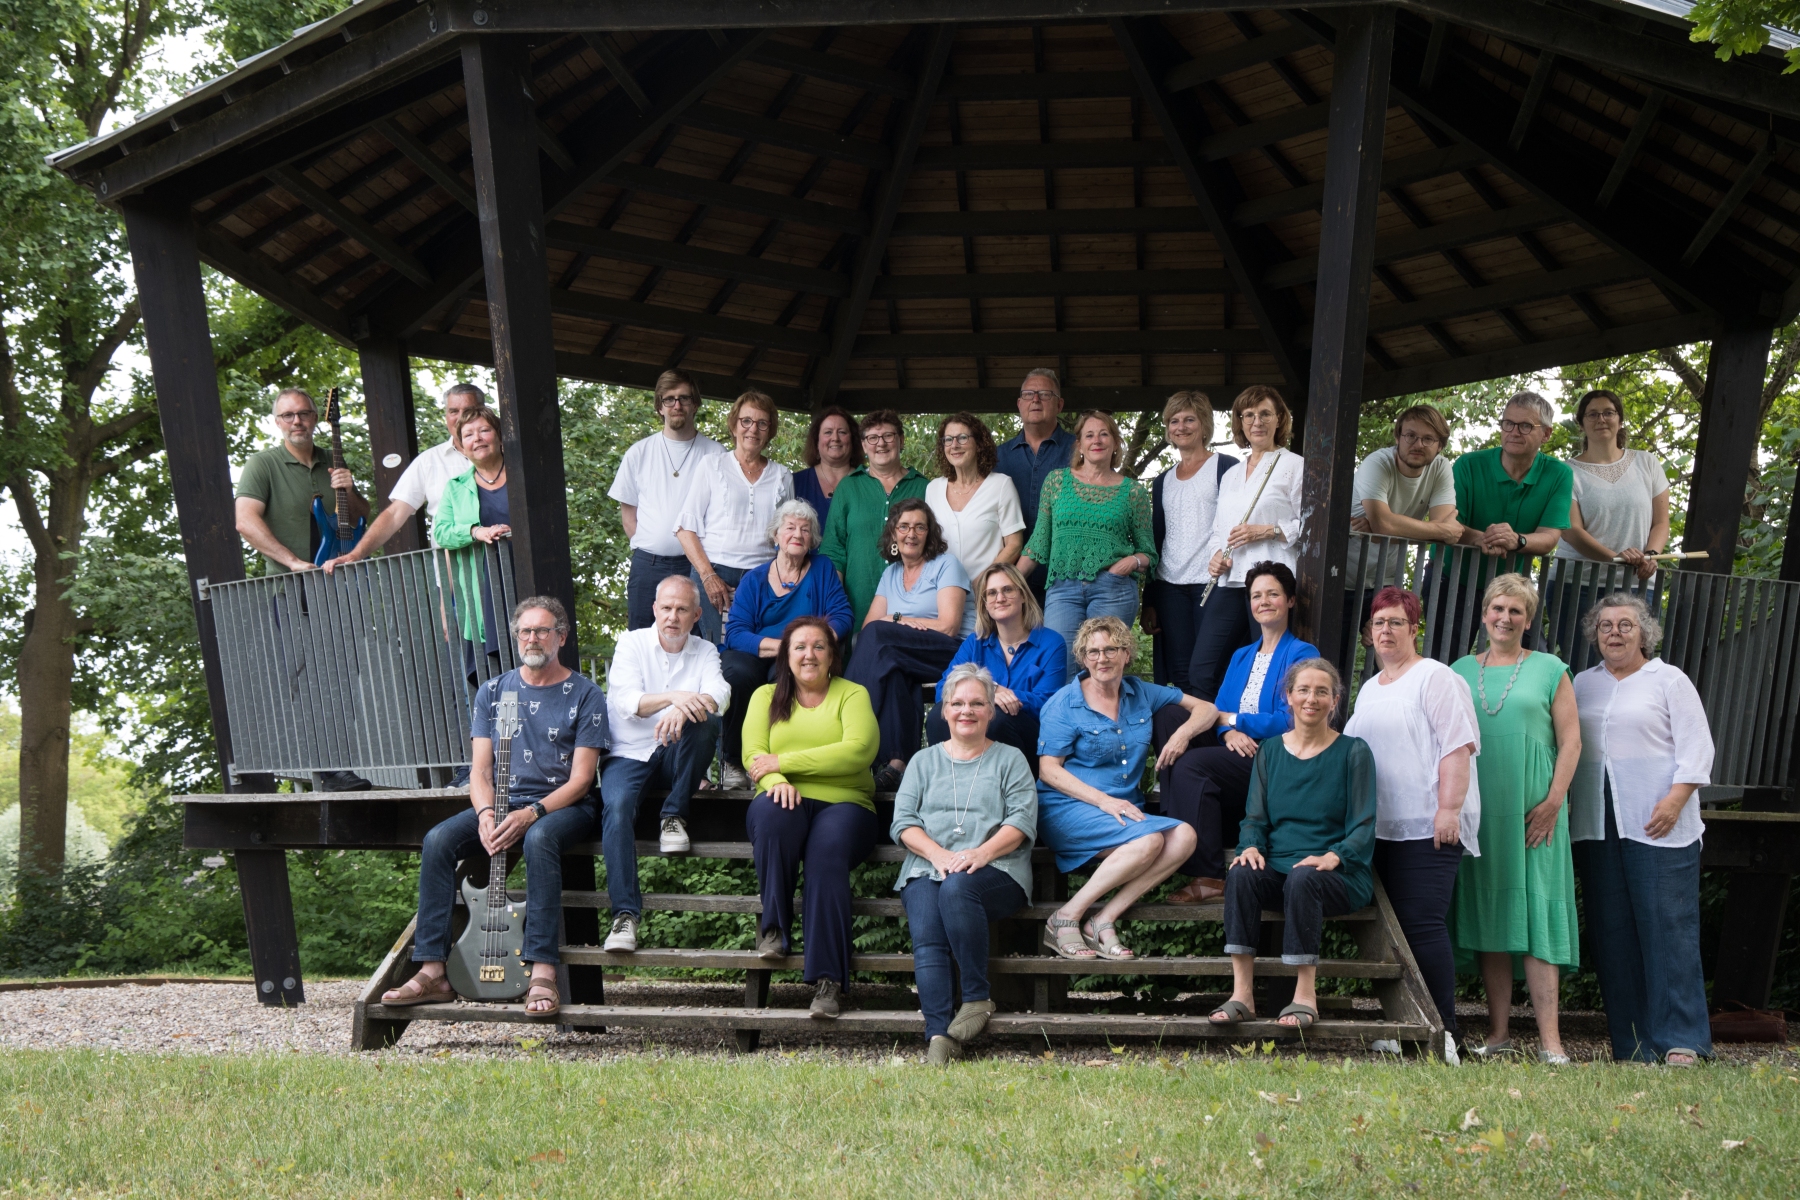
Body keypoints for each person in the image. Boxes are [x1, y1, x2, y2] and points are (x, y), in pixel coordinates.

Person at [379, 597, 605, 1018]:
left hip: (562, 806)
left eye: (542, 630)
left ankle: (542, 971)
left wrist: (531, 813)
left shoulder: (586, 694)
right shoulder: (495, 691)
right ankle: (433, 971)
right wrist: (486, 814)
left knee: (538, 839)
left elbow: (581, 781)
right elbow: (480, 771)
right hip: (501, 802)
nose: (532, 638)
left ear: (561, 637)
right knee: (438, 840)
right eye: (525, 631)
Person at [1570, 594, 1714, 1065]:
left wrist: (1676, 800)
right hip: (1597, 821)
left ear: (1644, 632)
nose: (1614, 633)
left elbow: (1698, 748)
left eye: (1625, 625)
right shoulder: (1582, 684)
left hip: (1658, 818)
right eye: (1606, 625)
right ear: (1595, 635)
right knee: (1612, 933)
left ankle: (1683, 1040)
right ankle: (1633, 1045)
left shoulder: (1669, 680)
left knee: (1668, 928)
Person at [1341, 586, 1481, 1047]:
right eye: (1378, 622)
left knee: (1421, 926)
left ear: (1413, 629)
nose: (1385, 630)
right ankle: (1404, 1027)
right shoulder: (1369, 688)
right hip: (1380, 828)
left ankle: (1444, 1033)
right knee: (1390, 933)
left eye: (1396, 622)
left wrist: (1449, 809)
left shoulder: (1435, 677)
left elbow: (1457, 746)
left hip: (1427, 825)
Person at [1451, 573, 1581, 1064]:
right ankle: (1499, 1033)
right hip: (1481, 808)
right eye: (1497, 609)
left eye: (1516, 611)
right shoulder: (1460, 669)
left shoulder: (1550, 669)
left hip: (1536, 811)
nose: (1504, 618)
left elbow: (1572, 741)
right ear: (1485, 614)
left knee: (1537, 914)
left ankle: (1552, 1043)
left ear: (1528, 621)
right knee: (1493, 913)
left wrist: (1554, 801)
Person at [1208, 659, 1376, 1032]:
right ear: (1288, 696)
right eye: (1303, 690)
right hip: (1279, 871)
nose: (1311, 699)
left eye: (1321, 692)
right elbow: (1254, 818)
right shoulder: (1269, 751)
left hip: (1339, 875)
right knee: (1241, 874)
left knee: (1304, 877)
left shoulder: (1353, 751)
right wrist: (1250, 846)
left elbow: (1364, 824)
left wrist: (1334, 856)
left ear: (1335, 701)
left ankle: (1305, 996)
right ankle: (1242, 995)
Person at [1035, 616, 1210, 961]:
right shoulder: (1064, 703)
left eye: (1110, 649)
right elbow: (1048, 770)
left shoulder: (1140, 692)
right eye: (1093, 652)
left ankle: (1102, 919)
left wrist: (1182, 734)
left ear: (1126, 654)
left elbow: (1206, 708)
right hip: (1067, 808)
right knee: (1150, 840)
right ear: (1083, 658)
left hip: (1124, 813)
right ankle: (1065, 917)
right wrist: (1104, 801)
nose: (1102, 658)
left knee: (1185, 836)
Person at [892, 663, 1037, 1065]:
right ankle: (940, 1035)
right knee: (927, 928)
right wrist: (938, 855)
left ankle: (976, 997)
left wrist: (981, 853)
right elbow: (903, 822)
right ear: (943, 711)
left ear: (991, 710)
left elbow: (1022, 820)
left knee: (957, 889)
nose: (966, 711)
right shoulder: (923, 761)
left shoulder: (1010, 759)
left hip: (998, 869)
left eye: (976, 703)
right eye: (957, 703)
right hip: (928, 866)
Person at [742, 617, 881, 1020]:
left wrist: (784, 762)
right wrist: (775, 779)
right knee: (772, 818)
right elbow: (753, 754)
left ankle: (827, 979)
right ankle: (774, 929)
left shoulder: (852, 694)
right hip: (782, 795)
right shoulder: (765, 696)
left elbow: (858, 750)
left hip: (847, 803)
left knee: (826, 851)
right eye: (800, 647)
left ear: (832, 656)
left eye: (819, 646)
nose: (809, 655)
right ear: (786, 656)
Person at [1157, 561, 1318, 905]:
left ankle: (1209, 876)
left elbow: (1291, 719)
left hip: (1270, 756)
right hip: (1233, 747)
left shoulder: (1302, 653)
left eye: (1273, 594)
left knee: (1191, 765)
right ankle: (1176, 821)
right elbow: (1218, 711)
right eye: (1256, 596)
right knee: (1171, 715)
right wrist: (1226, 733)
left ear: (1290, 600)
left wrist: (1236, 722)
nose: (1263, 601)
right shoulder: (1242, 655)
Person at [598, 576, 731, 954]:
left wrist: (684, 708)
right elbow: (627, 701)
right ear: (655, 609)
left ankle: (673, 815)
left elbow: (721, 694)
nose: (673, 617)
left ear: (696, 615)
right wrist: (677, 697)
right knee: (617, 809)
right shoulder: (631, 643)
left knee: (707, 719)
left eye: (682, 609)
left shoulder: (705, 650)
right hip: (628, 754)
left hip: (675, 755)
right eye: (667, 608)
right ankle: (625, 917)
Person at [718, 500, 854, 789]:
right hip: (760, 651)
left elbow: (842, 615)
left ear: (812, 540)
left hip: (802, 654)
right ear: (776, 535)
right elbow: (736, 633)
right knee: (736, 674)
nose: (798, 534)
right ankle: (734, 762)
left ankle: (779, 761)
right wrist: (785, 646)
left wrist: (814, 644)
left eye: (805, 530)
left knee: (786, 677)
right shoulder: (754, 579)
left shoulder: (822, 569)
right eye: (790, 527)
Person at [1017, 410, 1157, 676]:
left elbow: (1149, 552)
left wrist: (1130, 562)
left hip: (1113, 588)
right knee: (1060, 669)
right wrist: (1010, 581)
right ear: (1079, 445)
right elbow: (1039, 542)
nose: (1097, 440)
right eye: (1089, 435)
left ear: (1115, 443)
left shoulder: (1133, 492)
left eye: (1104, 434)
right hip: (1063, 590)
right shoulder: (1056, 482)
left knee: (1102, 670)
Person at [844, 499, 970, 790]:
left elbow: (948, 626)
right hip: (901, 653)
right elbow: (869, 628)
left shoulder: (946, 565)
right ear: (893, 533)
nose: (911, 534)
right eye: (903, 527)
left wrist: (898, 618)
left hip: (946, 652)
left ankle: (850, 730)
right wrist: (898, 625)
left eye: (919, 527)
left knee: (881, 642)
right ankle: (896, 766)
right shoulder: (891, 574)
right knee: (891, 667)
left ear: (929, 533)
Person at [1190, 386, 1305, 702]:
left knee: (1270, 670)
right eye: (1249, 415)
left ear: (1279, 419)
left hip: (1272, 581)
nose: (1257, 422)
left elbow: (1311, 526)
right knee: (1203, 669)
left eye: (1265, 414)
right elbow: (1219, 530)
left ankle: (1265, 731)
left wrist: (1267, 531)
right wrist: (1216, 555)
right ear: (1240, 422)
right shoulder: (1231, 474)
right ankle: (1215, 730)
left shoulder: (1294, 465)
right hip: (1232, 579)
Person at [609, 370, 726, 631]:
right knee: (641, 640)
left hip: (697, 566)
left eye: (684, 398)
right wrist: (654, 546)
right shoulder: (639, 453)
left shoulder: (717, 455)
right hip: (647, 567)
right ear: (659, 407)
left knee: (698, 640)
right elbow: (628, 518)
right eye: (669, 399)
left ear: (695, 404)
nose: (677, 405)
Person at [676, 390, 793, 645]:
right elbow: (685, 529)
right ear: (734, 425)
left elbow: (788, 538)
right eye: (746, 421)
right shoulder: (712, 465)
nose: (753, 429)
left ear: (770, 431)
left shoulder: (783, 475)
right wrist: (708, 577)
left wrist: (774, 581)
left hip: (763, 578)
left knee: (753, 651)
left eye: (762, 423)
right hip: (713, 572)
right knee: (713, 651)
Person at [1344, 404, 1461, 657]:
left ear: (1440, 446)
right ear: (1397, 437)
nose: (1418, 444)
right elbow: (1436, 529)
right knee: (1334, 661)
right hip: (1342, 579)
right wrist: (1385, 527)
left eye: (1428, 439)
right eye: (1410, 435)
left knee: (1394, 659)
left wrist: (1383, 531)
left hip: (1386, 581)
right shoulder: (1378, 463)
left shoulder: (1440, 468)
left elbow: (1443, 528)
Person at [325, 382, 481, 569]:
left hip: (504, 562)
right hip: (454, 572)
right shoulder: (428, 461)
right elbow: (394, 514)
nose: (461, 418)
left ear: (484, 412)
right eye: (453, 411)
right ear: (446, 416)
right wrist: (356, 554)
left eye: (469, 410)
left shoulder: (503, 452)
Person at [925, 563, 1067, 764]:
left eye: (1007, 590)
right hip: (978, 736)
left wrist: (1003, 698)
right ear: (985, 604)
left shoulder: (1051, 643)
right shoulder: (975, 642)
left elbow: (1048, 703)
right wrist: (990, 691)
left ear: (1023, 595)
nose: (1000, 598)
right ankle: (951, 778)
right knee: (937, 716)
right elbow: (943, 689)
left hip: (1029, 741)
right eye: (991, 593)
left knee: (996, 718)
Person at [1143, 390, 1236, 693]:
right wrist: (1150, 600)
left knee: (1211, 669)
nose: (1180, 427)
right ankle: (1191, 726)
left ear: (1204, 424)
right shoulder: (1162, 481)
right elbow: (1156, 539)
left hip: (1213, 583)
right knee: (1181, 672)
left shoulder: (1227, 467)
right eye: (1174, 421)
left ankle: (1217, 724)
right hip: (1170, 587)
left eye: (1189, 419)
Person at [235, 386, 370, 573]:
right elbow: (245, 521)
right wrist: (292, 561)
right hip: (289, 584)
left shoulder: (333, 459)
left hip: (343, 577)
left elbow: (360, 518)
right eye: (287, 415)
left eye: (304, 413)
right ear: (277, 422)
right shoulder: (262, 464)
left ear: (315, 418)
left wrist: (349, 493)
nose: (297, 421)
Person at [821, 408, 928, 628]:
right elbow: (834, 549)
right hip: (857, 600)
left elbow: (936, 545)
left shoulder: (924, 487)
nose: (881, 443)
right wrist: (834, 603)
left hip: (913, 602)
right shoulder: (848, 487)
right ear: (863, 445)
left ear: (901, 440)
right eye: (872, 438)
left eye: (888, 436)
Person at [925, 412, 1025, 635]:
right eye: (948, 439)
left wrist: (986, 579)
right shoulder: (933, 489)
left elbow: (1014, 544)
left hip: (986, 599)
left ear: (979, 444)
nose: (954, 445)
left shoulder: (1001, 485)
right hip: (941, 598)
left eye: (962, 438)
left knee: (978, 655)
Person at [1454, 391, 1574, 574]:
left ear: (1546, 433)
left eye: (1526, 426)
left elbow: (1549, 537)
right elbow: (1447, 523)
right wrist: (1486, 538)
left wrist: (1517, 540)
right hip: (1450, 576)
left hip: (1511, 584)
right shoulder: (1467, 465)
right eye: (1508, 423)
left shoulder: (1559, 474)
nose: (1514, 433)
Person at [1558, 391, 1670, 579]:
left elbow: (1661, 522)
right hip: (1577, 583)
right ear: (1581, 424)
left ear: (1620, 421)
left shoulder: (1647, 462)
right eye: (1592, 414)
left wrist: (1651, 555)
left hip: (1638, 581)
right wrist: (1616, 559)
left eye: (1608, 413)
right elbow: (1571, 531)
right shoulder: (1565, 472)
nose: (1601, 419)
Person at [432, 407, 511, 665]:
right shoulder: (455, 488)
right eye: (468, 435)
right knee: (495, 669)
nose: (477, 438)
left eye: (484, 430)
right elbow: (441, 532)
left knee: (534, 651)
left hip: (525, 577)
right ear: (463, 448)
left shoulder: (522, 475)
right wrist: (475, 531)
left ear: (499, 436)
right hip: (482, 589)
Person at [995, 367, 1077, 605]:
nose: (1036, 399)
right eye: (1029, 394)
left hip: (1066, 581)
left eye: (1045, 394)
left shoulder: (1080, 452)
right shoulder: (996, 458)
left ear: (1059, 405)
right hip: (1010, 580)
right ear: (1019, 403)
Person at [792, 406, 860, 529]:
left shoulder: (869, 482)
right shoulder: (794, 483)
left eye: (842, 432)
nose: (835, 438)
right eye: (828, 432)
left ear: (853, 439)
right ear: (816, 441)